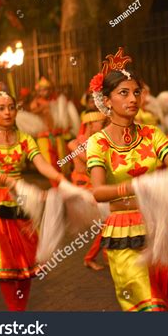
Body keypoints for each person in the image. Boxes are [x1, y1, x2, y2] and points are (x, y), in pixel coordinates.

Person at [87, 47, 168, 311]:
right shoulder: (98, 142)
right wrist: (134, 186)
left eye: (136, 92)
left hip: (162, 225)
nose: (133, 98)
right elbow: (99, 192)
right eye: (123, 93)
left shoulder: (152, 133)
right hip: (126, 233)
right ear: (107, 100)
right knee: (148, 307)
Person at [0, 81, 66, 311]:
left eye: (11, 107)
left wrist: (63, 181)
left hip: (22, 201)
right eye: (1, 108)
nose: (7, 112)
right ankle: (15, 313)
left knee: (26, 264)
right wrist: (8, 180)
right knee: (7, 268)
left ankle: (19, 310)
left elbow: (42, 164)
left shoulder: (25, 139)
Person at [67, 105, 109, 271]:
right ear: (90, 124)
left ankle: (102, 256)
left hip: (95, 185)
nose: (104, 124)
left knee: (107, 223)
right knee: (106, 223)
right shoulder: (74, 144)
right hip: (84, 188)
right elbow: (90, 161)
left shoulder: (99, 140)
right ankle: (92, 257)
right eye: (101, 121)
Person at [30, 77, 63, 184]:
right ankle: (55, 185)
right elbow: (33, 111)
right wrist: (43, 107)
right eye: (42, 90)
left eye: (47, 89)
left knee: (62, 161)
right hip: (44, 136)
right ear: (38, 91)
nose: (45, 92)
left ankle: (62, 184)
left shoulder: (54, 101)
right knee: (49, 162)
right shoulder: (37, 102)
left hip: (56, 135)